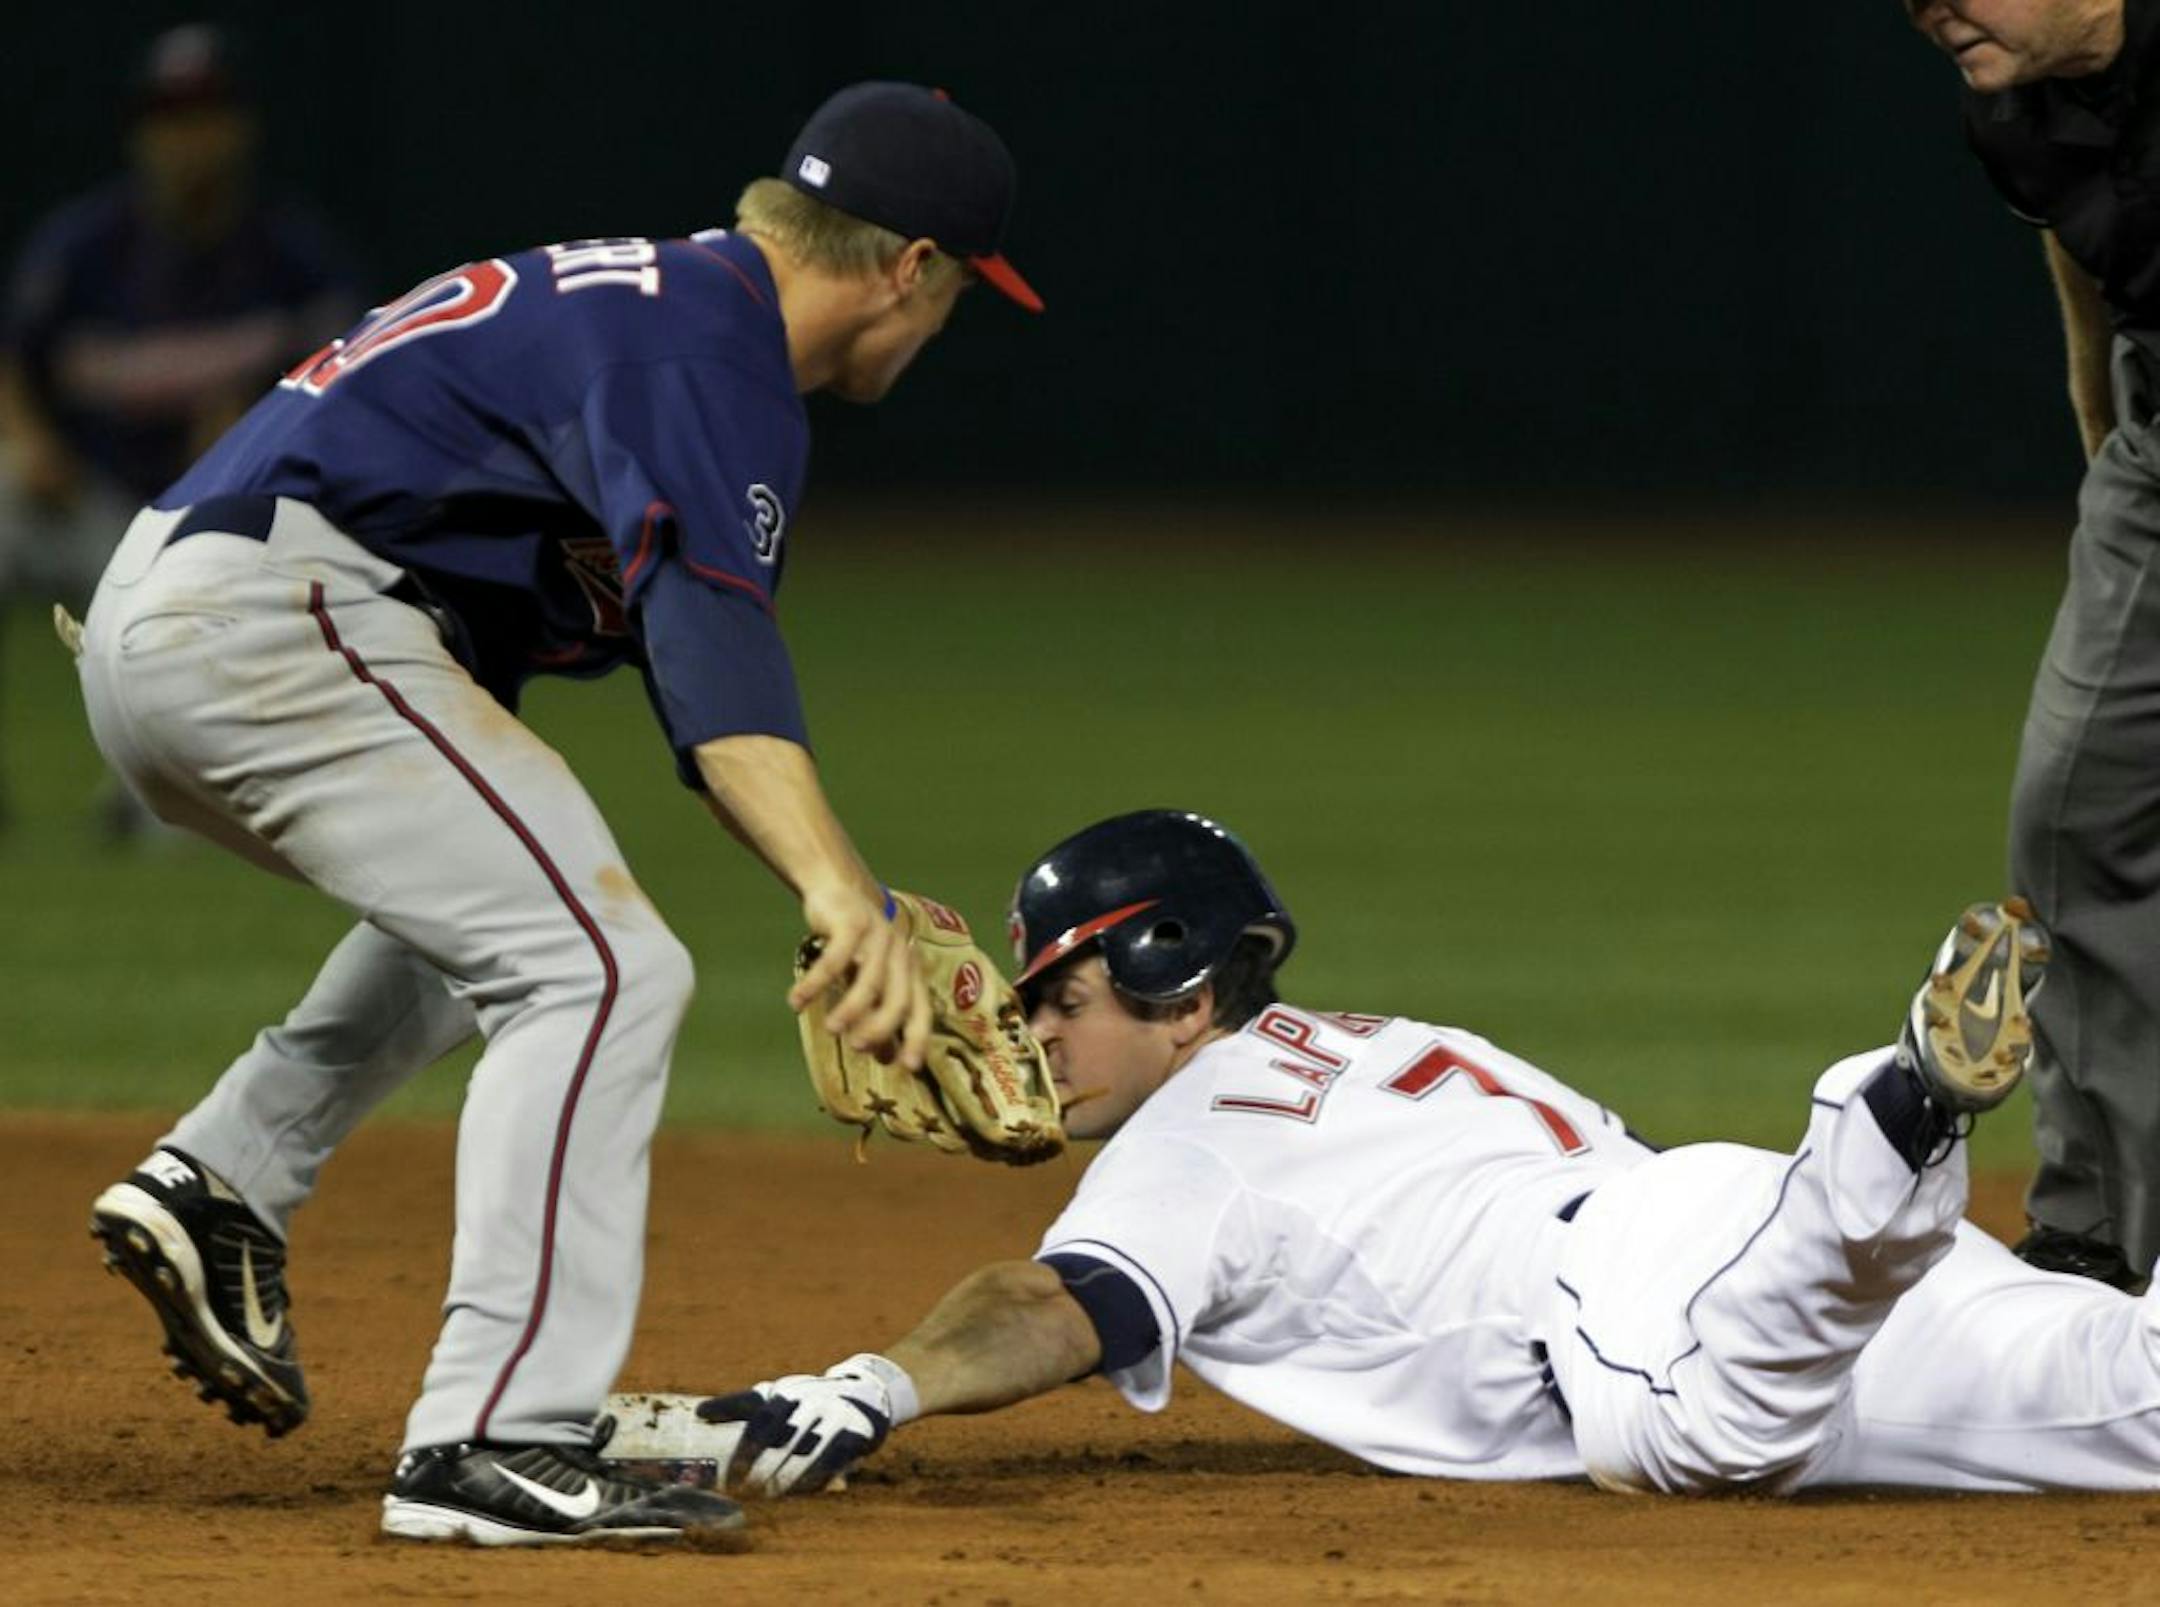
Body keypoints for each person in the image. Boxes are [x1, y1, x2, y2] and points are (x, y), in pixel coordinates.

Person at [74, 80, 1043, 1547]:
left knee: (514, 919)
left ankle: (223, 1178)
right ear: (909, 266)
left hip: (216, 614)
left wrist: (836, 879)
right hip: (281, 616)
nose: (943, 323)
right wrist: (844, 895)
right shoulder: (710, 350)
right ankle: (491, 1439)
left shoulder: (656, 308)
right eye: (961, 292)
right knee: (604, 964)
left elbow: (627, 682)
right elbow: (718, 670)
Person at [627, 810, 2160, 1499]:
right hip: (1711, 1223)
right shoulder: (1378, 1038)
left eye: (1060, 997)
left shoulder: (1197, 1136)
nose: (1030, 1037)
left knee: (1696, 1436)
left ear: (1176, 976)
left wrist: (871, 1380)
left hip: (1646, 1291)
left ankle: (1893, 1118)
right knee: (2131, 1397)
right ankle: (1870, 1179)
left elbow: (1050, 1304)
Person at [1901, 0, 2160, 1291]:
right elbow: (2091, 256)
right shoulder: (2011, 108)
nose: (1932, 9)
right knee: (2075, 801)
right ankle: (2100, 1231)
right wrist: (2103, 425)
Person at [2, 23, 359, 832]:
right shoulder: (86, 246)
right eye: (169, 117)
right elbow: (14, 362)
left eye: (206, 114)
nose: (188, 138)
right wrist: (28, 438)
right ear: (142, 133)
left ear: (242, 127)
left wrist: (253, 440)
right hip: (91, 507)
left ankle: (156, 800)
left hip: (212, 533)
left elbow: (353, 394)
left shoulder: (292, 256)